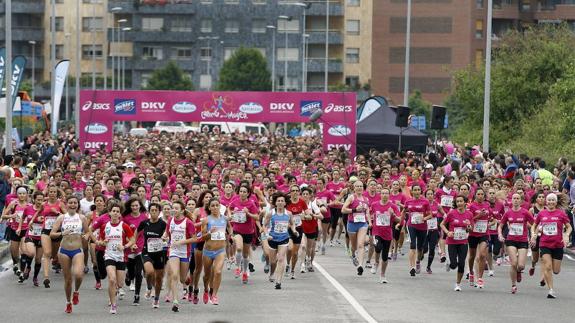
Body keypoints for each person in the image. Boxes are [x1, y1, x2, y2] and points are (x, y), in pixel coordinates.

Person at [49, 196, 88, 314]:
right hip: (64, 250)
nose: (72, 205)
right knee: (68, 279)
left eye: (75, 203)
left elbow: (87, 232)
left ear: (77, 205)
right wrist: (62, 233)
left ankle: (76, 292)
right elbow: (52, 234)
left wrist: (86, 236)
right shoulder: (61, 217)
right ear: (66, 204)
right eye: (70, 203)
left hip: (77, 250)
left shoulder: (82, 218)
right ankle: (68, 302)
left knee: (79, 275)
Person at [531, 193, 573, 298]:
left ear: (556, 202)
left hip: (558, 244)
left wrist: (566, 235)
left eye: (552, 200)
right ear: (546, 201)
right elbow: (534, 225)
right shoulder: (542, 213)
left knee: (556, 270)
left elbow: (569, 227)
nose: (550, 202)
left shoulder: (561, 214)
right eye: (549, 200)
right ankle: (551, 290)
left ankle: (547, 273)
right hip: (544, 243)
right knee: (548, 266)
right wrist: (534, 234)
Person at [96, 203, 134, 314]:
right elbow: (102, 241)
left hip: (120, 256)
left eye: (117, 211)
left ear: (120, 214)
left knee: (120, 284)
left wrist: (125, 246)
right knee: (112, 279)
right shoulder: (105, 226)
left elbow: (132, 239)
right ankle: (113, 304)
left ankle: (118, 286)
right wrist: (102, 242)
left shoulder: (124, 226)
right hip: (109, 255)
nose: (115, 213)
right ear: (109, 213)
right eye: (113, 211)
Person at [164, 200, 197, 312]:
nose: (174, 210)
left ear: (182, 210)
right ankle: (175, 301)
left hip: (184, 252)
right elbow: (166, 234)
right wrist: (164, 237)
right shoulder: (170, 221)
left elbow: (194, 238)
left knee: (182, 279)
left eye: (176, 208)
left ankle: (187, 279)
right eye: (173, 208)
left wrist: (181, 242)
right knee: (174, 275)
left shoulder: (188, 222)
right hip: (173, 251)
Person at [498, 193, 534, 294]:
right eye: (514, 198)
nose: (516, 200)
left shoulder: (525, 212)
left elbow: (534, 223)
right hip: (511, 240)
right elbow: (500, 226)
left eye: (518, 198)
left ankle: (519, 271)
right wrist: (500, 235)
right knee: (513, 263)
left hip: (522, 240)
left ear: (521, 201)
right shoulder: (508, 213)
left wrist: (534, 234)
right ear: (512, 200)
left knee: (521, 265)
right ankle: (513, 285)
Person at [135, 203, 166, 309]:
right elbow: (137, 232)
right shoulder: (144, 223)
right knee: (149, 272)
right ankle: (149, 287)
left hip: (159, 253)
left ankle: (156, 299)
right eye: (152, 210)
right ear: (149, 212)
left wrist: (165, 239)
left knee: (159, 278)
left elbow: (167, 235)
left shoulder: (163, 224)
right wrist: (134, 242)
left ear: (159, 212)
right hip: (146, 251)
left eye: (156, 210)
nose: (153, 212)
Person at [263, 192, 297, 289]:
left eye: (282, 201)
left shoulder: (289, 213)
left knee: (281, 259)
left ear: (285, 203)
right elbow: (264, 226)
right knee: (273, 261)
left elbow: (292, 223)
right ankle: (271, 273)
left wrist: (294, 230)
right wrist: (267, 235)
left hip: (284, 238)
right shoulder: (271, 213)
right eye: (279, 201)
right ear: (275, 203)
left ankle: (278, 281)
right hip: (272, 238)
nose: (280, 202)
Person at [440, 195, 473, 292]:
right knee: (454, 265)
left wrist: (468, 227)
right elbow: (442, 224)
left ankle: (458, 284)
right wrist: (447, 232)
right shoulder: (451, 213)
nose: (459, 203)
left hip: (463, 242)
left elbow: (471, 229)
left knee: (462, 263)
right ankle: (449, 263)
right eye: (457, 201)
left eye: (461, 201)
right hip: (452, 242)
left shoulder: (469, 214)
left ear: (465, 202)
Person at [200, 198, 229, 305]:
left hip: (220, 250)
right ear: (209, 208)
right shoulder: (206, 220)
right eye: (213, 206)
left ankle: (215, 295)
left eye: (217, 205)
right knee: (206, 275)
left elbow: (230, 229)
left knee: (218, 272)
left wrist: (231, 236)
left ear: (220, 206)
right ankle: (206, 290)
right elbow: (203, 237)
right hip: (208, 251)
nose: (215, 207)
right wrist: (209, 233)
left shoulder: (225, 219)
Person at [228, 186, 259, 283]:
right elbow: (229, 208)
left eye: (244, 191)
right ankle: (237, 267)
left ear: (248, 193)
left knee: (245, 255)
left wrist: (248, 213)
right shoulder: (235, 201)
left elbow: (257, 217)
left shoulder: (251, 203)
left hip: (248, 231)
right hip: (237, 229)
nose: (242, 193)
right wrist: (230, 215)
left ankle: (245, 272)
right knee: (239, 248)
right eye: (240, 191)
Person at [369, 188, 400, 283]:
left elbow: (399, 220)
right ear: (380, 194)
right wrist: (370, 221)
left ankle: (382, 275)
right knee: (377, 247)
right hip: (376, 231)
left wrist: (393, 214)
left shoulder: (393, 206)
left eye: (387, 193)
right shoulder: (374, 205)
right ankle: (376, 263)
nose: (385, 195)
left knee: (385, 256)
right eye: (383, 193)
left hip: (387, 233)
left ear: (389, 194)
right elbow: (368, 214)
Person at [121, 197, 148, 305]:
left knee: (139, 273)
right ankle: (128, 276)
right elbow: (124, 233)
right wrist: (131, 243)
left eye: (136, 205)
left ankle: (137, 295)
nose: (134, 207)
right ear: (130, 207)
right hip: (129, 247)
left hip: (141, 247)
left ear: (140, 206)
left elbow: (146, 232)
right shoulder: (126, 218)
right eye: (132, 206)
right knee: (132, 273)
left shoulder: (144, 217)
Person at [342, 180, 372, 275]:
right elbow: (343, 210)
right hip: (352, 224)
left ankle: (360, 265)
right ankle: (353, 255)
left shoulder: (366, 199)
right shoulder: (351, 197)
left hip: (363, 224)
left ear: (363, 188)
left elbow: (367, 212)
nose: (359, 188)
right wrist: (354, 210)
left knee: (361, 245)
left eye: (361, 186)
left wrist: (370, 222)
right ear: (354, 188)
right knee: (354, 246)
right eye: (357, 186)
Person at [40, 185, 66, 287]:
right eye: (50, 192)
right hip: (46, 230)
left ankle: (56, 261)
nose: (52, 194)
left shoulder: (61, 204)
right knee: (47, 253)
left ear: (57, 193)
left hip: (57, 232)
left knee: (55, 255)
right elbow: (38, 213)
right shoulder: (44, 204)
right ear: (48, 193)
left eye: (54, 192)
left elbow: (67, 217)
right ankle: (46, 278)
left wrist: (58, 213)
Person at [1, 186, 30, 280]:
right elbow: (4, 216)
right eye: (20, 193)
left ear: (26, 195)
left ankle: (22, 272)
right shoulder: (13, 204)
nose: (22, 195)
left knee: (24, 251)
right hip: (14, 230)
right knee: (14, 252)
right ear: (17, 194)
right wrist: (12, 215)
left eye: (23, 193)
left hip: (25, 230)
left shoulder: (29, 205)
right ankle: (15, 264)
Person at [403, 185, 431, 277]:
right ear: (412, 192)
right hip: (411, 225)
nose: (417, 191)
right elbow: (404, 211)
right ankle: (412, 267)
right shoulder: (408, 201)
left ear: (421, 191)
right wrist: (400, 222)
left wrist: (424, 218)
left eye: (419, 189)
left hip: (422, 226)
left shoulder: (425, 201)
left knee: (420, 248)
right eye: (415, 190)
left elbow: (430, 215)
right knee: (412, 245)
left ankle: (418, 261)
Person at [18, 191, 45, 286]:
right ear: (34, 199)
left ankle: (35, 277)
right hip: (30, 235)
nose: (39, 202)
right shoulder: (28, 209)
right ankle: (28, 267)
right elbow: (22, 218)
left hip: (41, 237)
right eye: (38, 200)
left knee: (38, 260)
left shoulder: (45, 210)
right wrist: (19, 227)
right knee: (31, 253)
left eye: (41, 200)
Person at [467, 188, 491, 288]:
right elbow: (468, 219)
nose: (480, 196)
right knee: (472, 256)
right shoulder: (471, 206)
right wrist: (478, 215)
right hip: (473, 234)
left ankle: (480, 278)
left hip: (484, 233)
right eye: (478, 194)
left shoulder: (487, 205)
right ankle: (471, 271)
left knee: (482, 255)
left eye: (482, 194)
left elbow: (490, 216)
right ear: (475, 195)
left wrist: (491, 221)